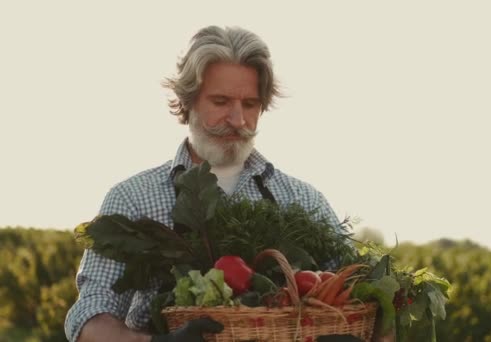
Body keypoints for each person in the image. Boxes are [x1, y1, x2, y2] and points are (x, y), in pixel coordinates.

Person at [64, 26, 359, 342]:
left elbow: (359, 287)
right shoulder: (133, 199)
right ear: (187, 101)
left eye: (249, 104)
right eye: (220, 101)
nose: (238, 120)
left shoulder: (302, 199)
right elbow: (89, 321)